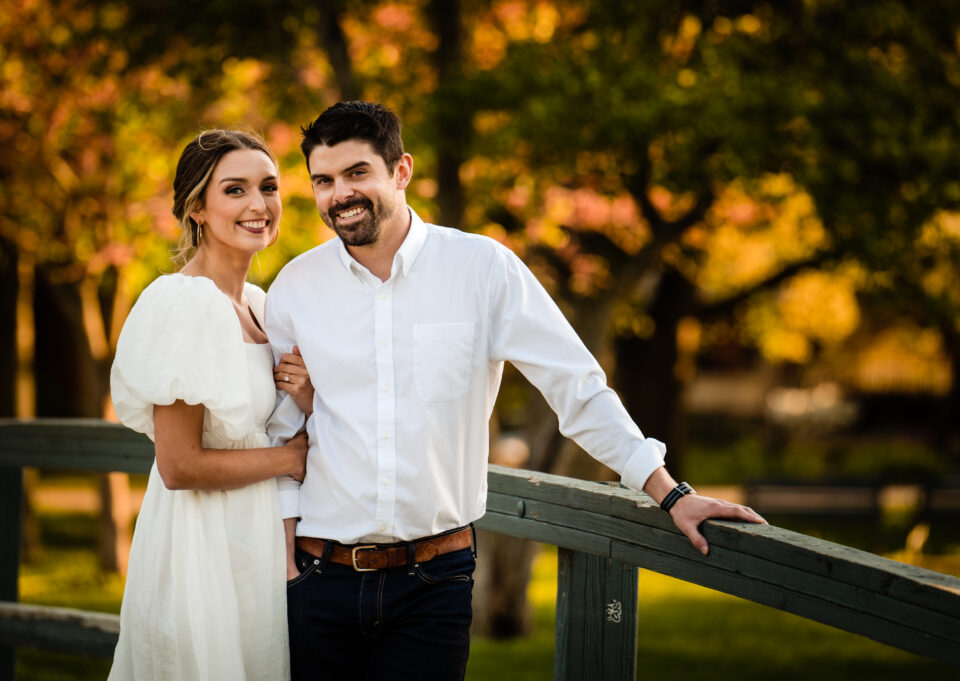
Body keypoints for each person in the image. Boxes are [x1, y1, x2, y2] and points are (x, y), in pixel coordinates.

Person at [264, 102, 766, 681]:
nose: (338, 195)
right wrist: (286, 570)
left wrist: (671, 494)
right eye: (323, 181)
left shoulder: (482, 269)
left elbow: (574, 385)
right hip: (318, 578)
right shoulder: (296, 288)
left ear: (400, 171)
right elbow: (283, 434)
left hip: (434, 582)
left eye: (356, 173)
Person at [108, 129, 312, 681]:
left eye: (268, 187)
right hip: (201, 547)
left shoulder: (259, 305)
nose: (258, 205)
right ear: (197, 207)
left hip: (253, 543)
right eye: (235, 190)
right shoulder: (183, 303)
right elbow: (179, 466)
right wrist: (289, 459)